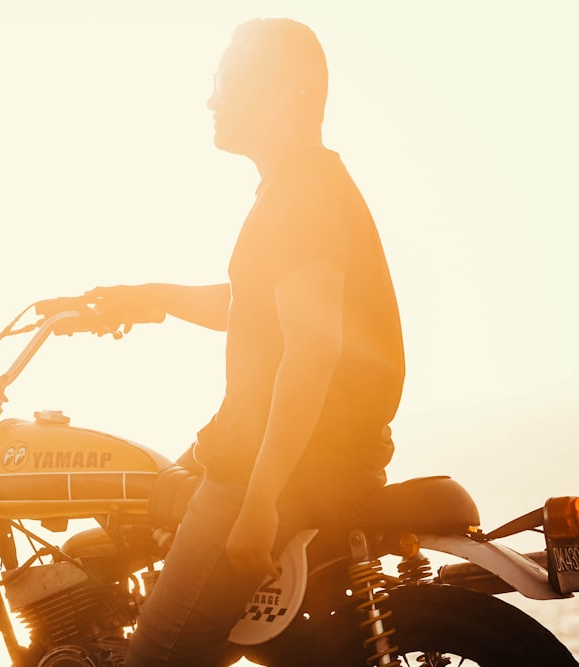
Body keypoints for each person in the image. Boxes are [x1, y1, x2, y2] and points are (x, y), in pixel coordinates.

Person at [87, 18, 405, 666]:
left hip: (281, 467)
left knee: (154, 657)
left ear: (286, 89)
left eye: (227, 82)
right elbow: (261, 311)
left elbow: (311, 350)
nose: (212, 99)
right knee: (135, 522)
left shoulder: (304, 195)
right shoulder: (300, 188)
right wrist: (150, 296)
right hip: (280, 452)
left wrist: (260, 502)